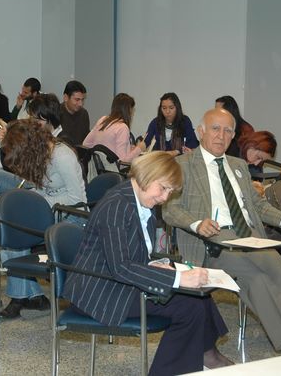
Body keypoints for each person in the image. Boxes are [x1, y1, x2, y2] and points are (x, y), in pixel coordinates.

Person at [64, 151, 232, 376]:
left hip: (118, 281)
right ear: (146, 175)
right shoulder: (116, 205)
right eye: (163, 188)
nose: (165, 198)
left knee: (200, 296)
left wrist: (159, 265)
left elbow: (136, 254)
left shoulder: (141, 201)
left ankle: (207, 354)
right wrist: (177, 277)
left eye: (170, 192)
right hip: (100, 290)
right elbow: (120, 267)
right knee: (190, 307)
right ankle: (191, 363)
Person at [163, 108, 281, 351]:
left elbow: (258, 205)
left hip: (250, 237)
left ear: (233, 136)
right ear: (201, 132)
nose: (221, 136)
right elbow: (170, 209)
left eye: (228, 131)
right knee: (256, 279)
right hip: (213, 240)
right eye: (215, 129)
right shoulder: (182, 165)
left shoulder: (238, 165)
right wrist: (197, 224)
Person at [0, 119, 87, 318]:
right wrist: (31, 200)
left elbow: (77, 200)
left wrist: (35, 202)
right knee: (11, 224)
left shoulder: (62, 156)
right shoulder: (38, 156)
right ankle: (25, 296)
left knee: (16, 223)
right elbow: (41, 190)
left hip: (72, 218)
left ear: (29, 147)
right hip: (50, 211)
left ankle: (22, 297)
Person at [83, 93, 145, 163]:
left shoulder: (102, 120)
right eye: (132, 110)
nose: (132, 113)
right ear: (128, 110)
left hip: (98, 167)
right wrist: (139, 149)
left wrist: (127, 148)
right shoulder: (122, 127)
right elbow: (122, 161)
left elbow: (86, 144)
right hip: (113, 169)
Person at [58, 80, 89, 146]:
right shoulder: (56, 113)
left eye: (82, 100)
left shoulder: (84, 114)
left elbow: (86, 140)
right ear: (66, 97)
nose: (81, 104)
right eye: (77, 99)